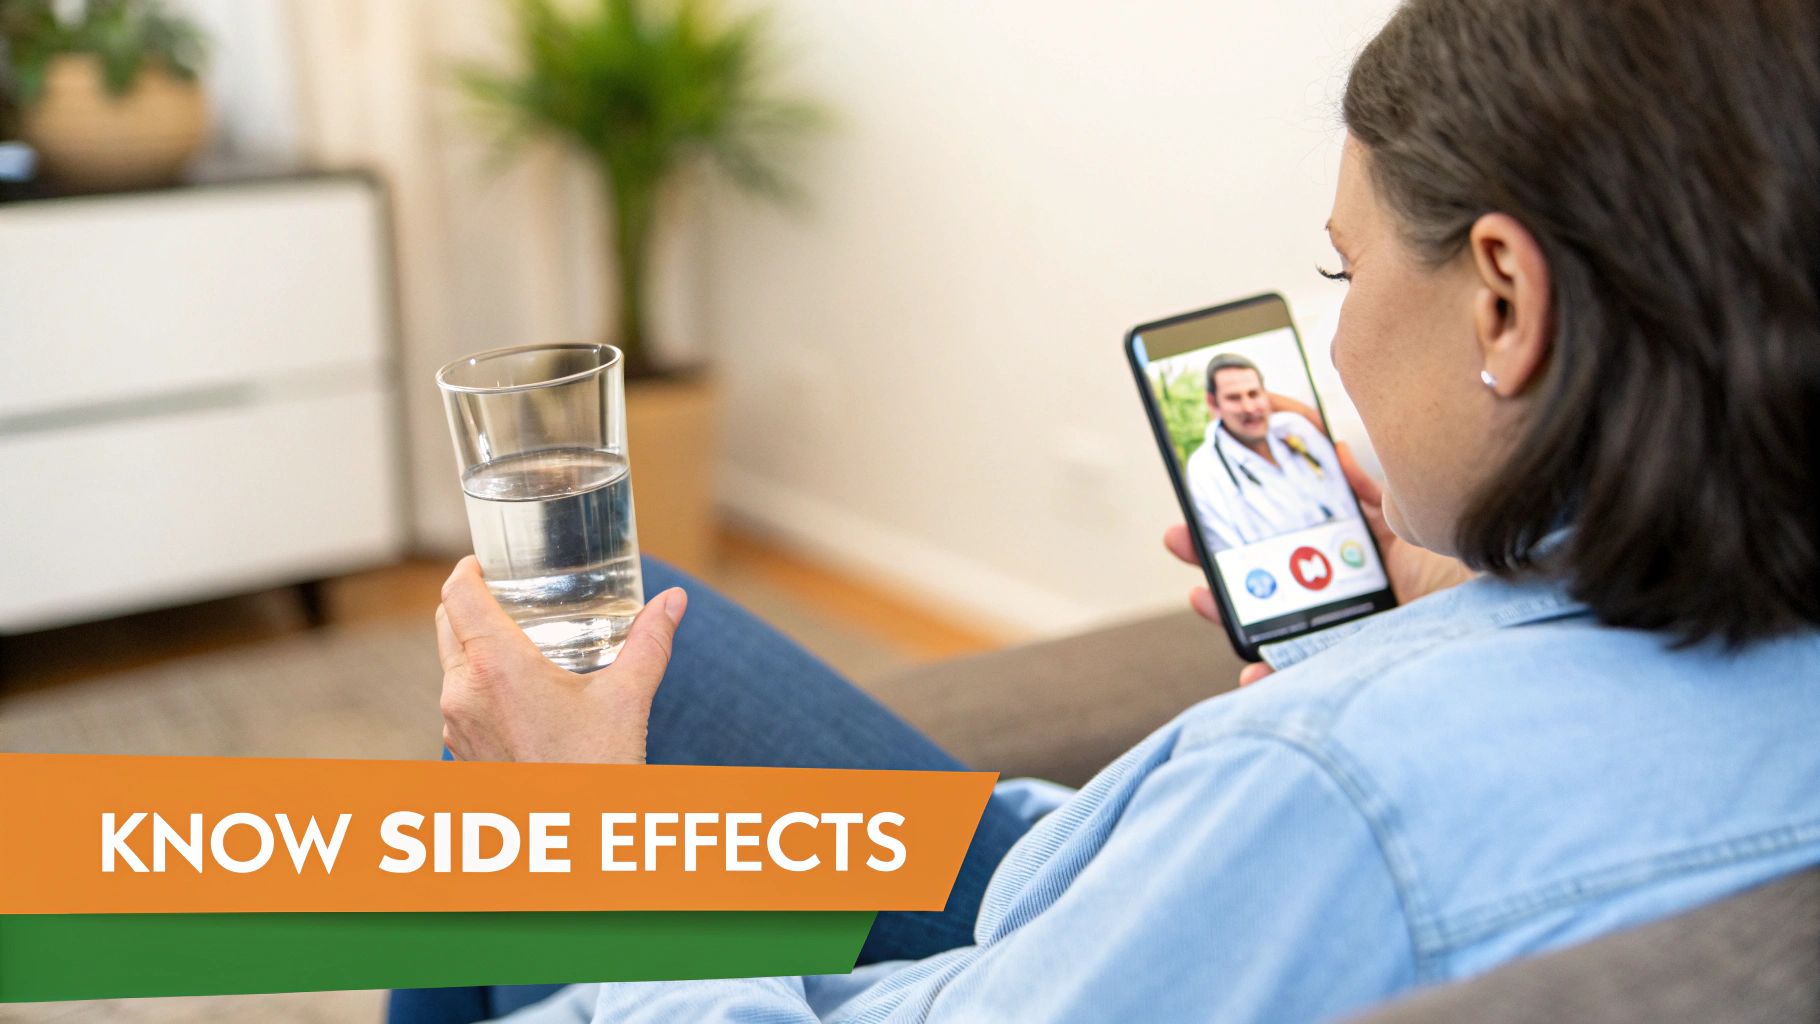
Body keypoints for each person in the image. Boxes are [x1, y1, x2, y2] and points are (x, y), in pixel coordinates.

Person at [392, 0, 1820, 1020]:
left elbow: (1308, 842)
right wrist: (1458, 608)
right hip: (1120, 898)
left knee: (511, 764)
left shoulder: (1326, 787)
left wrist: (593, 836)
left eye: (1345, 271)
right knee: (629, 631)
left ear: (1503, 299)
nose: (1332, 345)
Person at [1183, 353, 1357, 551]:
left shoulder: (1297, 429)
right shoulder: (1204, 469)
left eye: (1254, 394)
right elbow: (1229, 553)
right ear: (1213, 403)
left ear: (1266, 394)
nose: (1249, 408)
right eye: (1234, 398)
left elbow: (1346, 497)